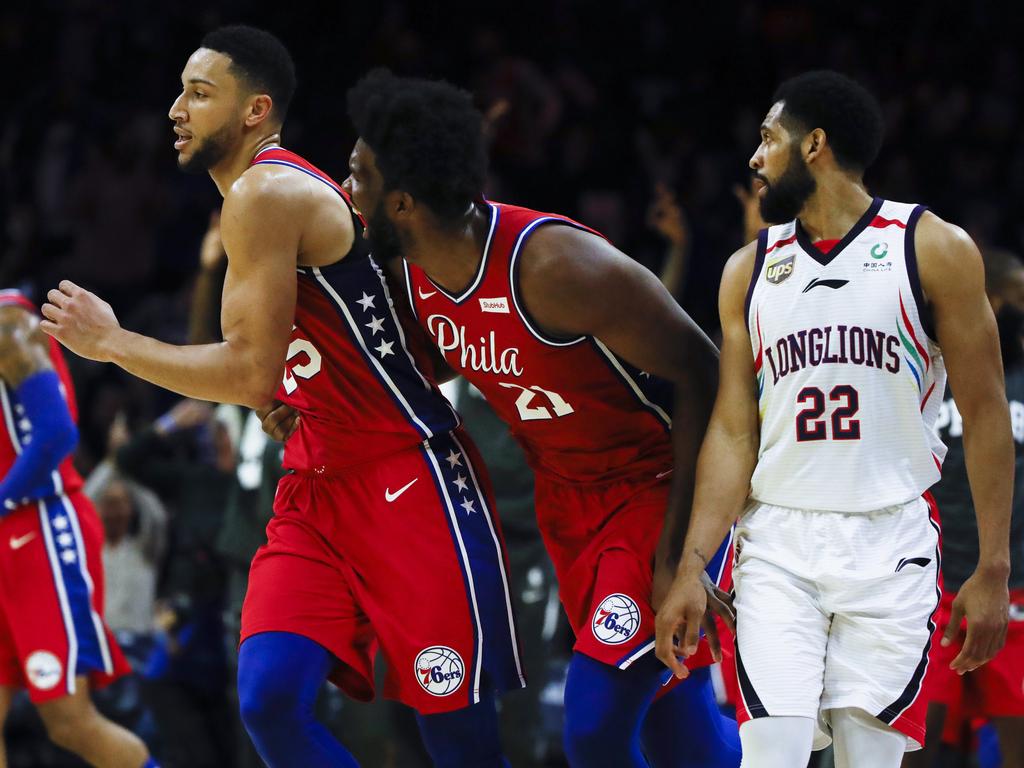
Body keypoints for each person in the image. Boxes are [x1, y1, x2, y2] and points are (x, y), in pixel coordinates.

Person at [40, 26, 524, 768]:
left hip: (406, 475)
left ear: (257, 110)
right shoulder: (256, 196)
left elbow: (248, 373)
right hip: (318, 478)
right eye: (179, 91)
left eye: (201, 95)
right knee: (268, 698)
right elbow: (281, 363)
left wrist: (110, 343)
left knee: (457, 737)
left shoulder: (265, 190)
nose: (177, 109)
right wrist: (303, 385)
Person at [265, 69, 738, 767]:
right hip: (564, 501)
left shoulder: (555, 266)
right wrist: (315, 404)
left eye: (357, 175)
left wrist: (681, 556)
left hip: (650, 490)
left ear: (401, 201)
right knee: (677, 719)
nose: (344, 191)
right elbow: (429, 365)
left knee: (593, 726)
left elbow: (704, 368)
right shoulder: (412, 270)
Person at [654, 70, 1013, 768]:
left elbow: (987, 412)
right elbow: (733, 431)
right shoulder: (748, 270)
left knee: (864, 760)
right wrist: (694, 564)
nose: (755, 158)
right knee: (771, 757)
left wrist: (993, 564)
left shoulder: (931, 247)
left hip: (890, 541)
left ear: (813, 145)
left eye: (768, 139)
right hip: (778, 542)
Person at [0, 289, 157, 768]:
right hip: (9, 527)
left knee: (70, 723)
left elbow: (56, 432)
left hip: (40, 525)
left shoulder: (9, 322)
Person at [903, 248, 1024, 768]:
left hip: (1012, 588)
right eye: (1018, 300)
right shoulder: (921, 369)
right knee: (919, 748)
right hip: (932, 588)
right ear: (990, 301)